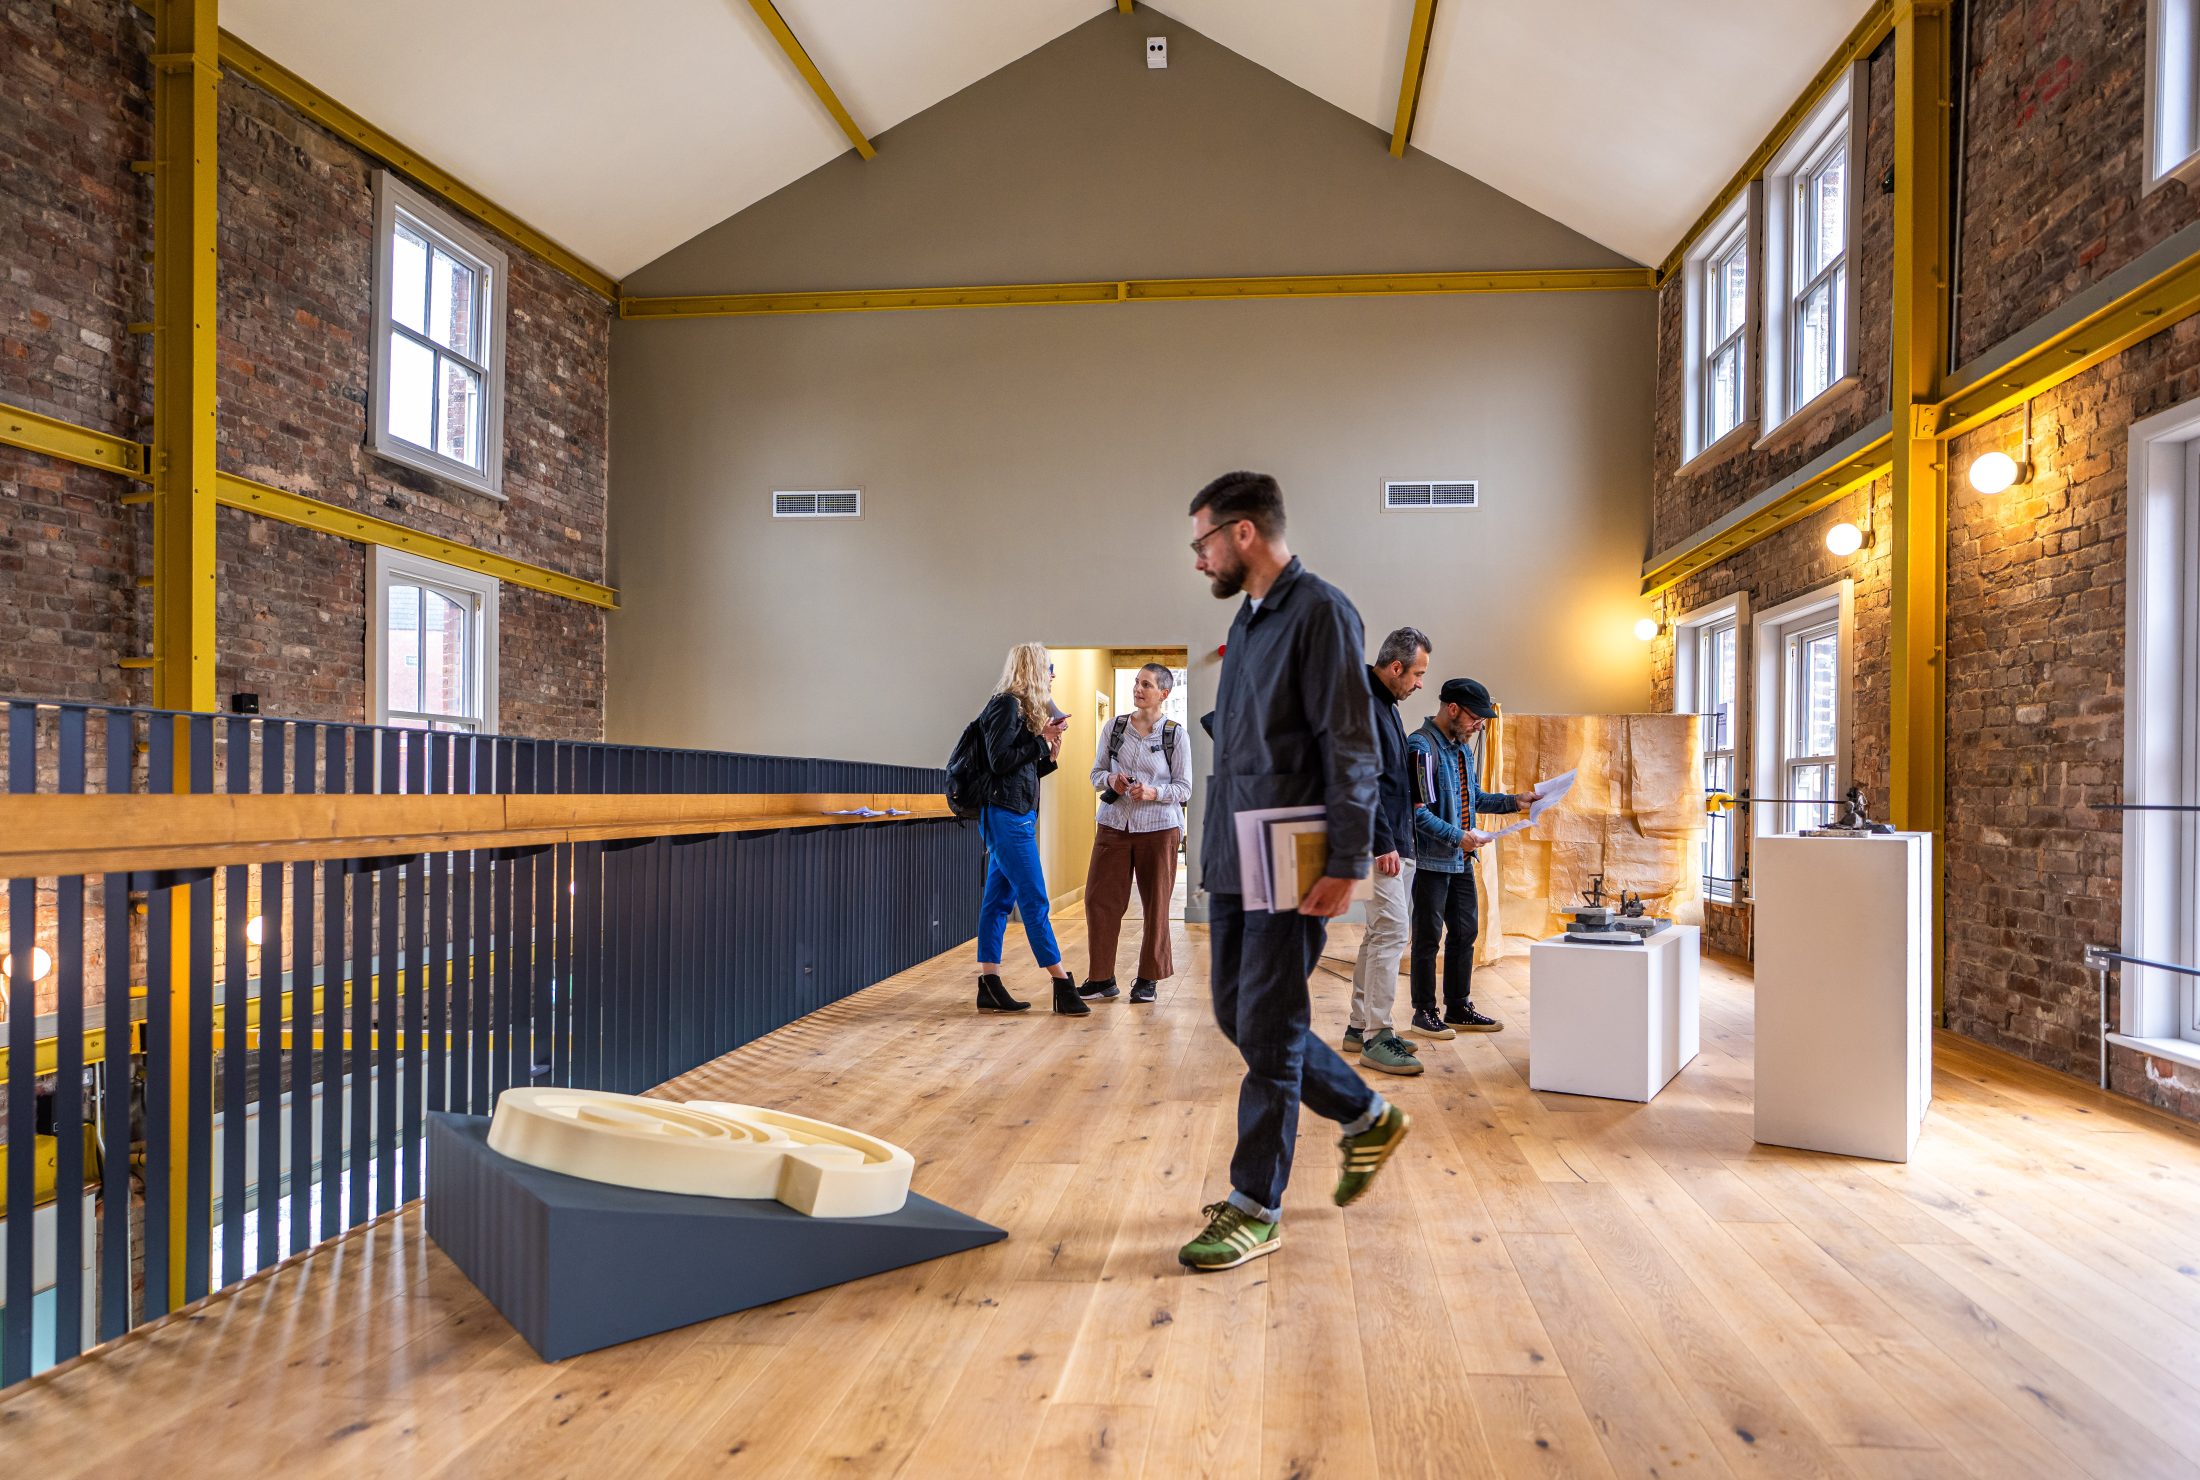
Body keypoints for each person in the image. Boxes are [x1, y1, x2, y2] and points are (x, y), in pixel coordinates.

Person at [1175, 471, 1410, 1274]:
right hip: (1236, 854)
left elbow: (1353, 744)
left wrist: (1347, 858)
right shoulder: (1247, 626)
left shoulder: (1321, 613)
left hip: (1294, 851)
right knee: (1237, 1016)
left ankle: (1254, 1204)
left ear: (1243, 533)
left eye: (1203, 540)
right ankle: (1365, 1113)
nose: (1199, 559)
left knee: (1269, 1028)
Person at [1405, 677, 1547, 1038]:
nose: (1480, 725)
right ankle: (1424, 1012)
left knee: (1465, 933)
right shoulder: (1421, 747)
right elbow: (1416, 813)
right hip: (1433, 862)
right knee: (1427, 938)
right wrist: (1459, 837)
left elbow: (1475, 798)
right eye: (1474, 717)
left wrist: (1516, 801)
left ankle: (1458, 1007)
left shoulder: (1462, 749)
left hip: (1462, 861)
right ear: (1452, 709)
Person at [971, 643, 1087, 1016]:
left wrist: (1047, 752)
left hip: (1016, 813)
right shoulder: (1004, 705)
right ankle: (1061, 984)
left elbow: (1018, 771)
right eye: (1048, 667)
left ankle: (989, 983)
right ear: (1033, 668)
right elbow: (998, 760)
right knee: (1035, 900)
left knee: (998, 901)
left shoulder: (1019, 710)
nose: (1053, 673)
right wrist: (1039, 741)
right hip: (1005, 817)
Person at [1344, 627, 1431, 1077]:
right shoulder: (1362, 703)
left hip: (1394, 837)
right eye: (1417, 673)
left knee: (1380, 933)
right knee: (1394, 932)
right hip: (1377, 841)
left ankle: (1360, 1027)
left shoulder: (1385, 704)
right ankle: (1378, 1036)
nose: (1419, 684)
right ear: (1395, 667)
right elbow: (1360, 779)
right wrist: (1383, 843)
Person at [1081, 663, 1192, 1005]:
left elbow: (1184, 788)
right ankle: (1101, 978)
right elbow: (1096, 772)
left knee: (1156, 904)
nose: (1138, 689)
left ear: (1164, 693)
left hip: (1159, 829)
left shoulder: (1175, 734)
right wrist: (1110, 780)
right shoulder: (1114, 728)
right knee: (1098, 900)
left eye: (1146, 684)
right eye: (1136, 682)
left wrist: (1153, 792)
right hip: (1114, 824)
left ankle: (1148, 978)